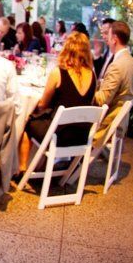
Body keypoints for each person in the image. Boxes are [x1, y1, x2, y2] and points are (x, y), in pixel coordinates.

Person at [21, 32, 97, 172]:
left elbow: (43, 104)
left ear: (66, 48)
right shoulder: (92, 75)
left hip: (59, 135)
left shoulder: (58, 72)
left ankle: (22, 169)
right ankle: (43, 166)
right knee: (45, 122)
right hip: (81, 135)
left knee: (28, 123)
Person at [94, 20, 133, 140]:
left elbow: (102, 99)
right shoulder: (132, 61)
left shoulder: (117, 65)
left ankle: (72, 154)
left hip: (108, 123)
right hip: (121, 121)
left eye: (108, 36)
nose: (107, 41)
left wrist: (86, 92)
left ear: (114, 38)